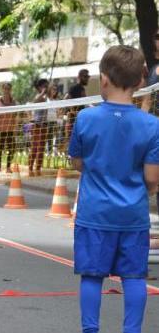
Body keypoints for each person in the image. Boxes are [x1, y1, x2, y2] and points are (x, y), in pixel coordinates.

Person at [68, 45, 159, 333]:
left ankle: (90, 330)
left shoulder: (85, 118)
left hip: (94, 213)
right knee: (133, 277)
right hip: (133, 216)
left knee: (92, 276)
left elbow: (77, 163)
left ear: (103, 79)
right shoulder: (152, 125)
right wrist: (148, 189)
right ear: (140, 82)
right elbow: (152, 177)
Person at [29, 78, 54, 176]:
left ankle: (38, 168)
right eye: (44, 86)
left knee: (41, 148)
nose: (46, 88)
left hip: (44, 124)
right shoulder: (38, 96)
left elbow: (50, 98)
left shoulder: (46, 98)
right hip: (37, 124)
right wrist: (43, 91)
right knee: (35, 147)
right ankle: (30, 167)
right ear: (39, 87)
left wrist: (48, 91)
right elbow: (35, 101)